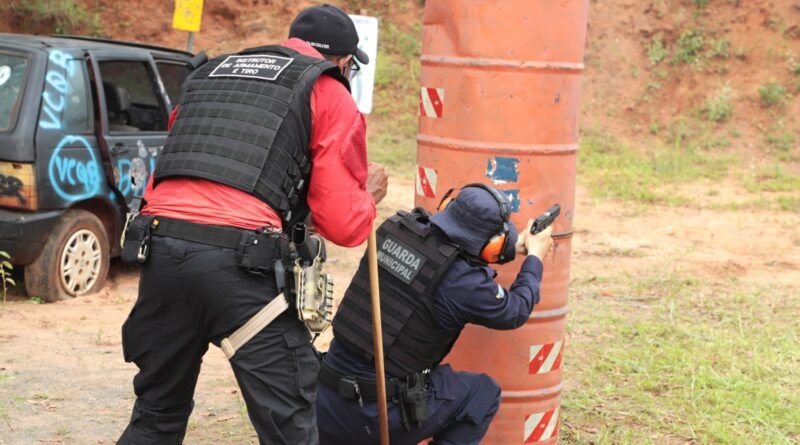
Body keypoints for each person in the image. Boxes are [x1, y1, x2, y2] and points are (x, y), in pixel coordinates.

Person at [117, 4, 388, 444]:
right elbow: (343, 224)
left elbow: (174, 171)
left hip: (160, 252)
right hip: (239, 268)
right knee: (289, 430)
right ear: (342, 61)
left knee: (155, 417)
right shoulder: (325, 88)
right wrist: (367, 198)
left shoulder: (207, 77)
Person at [316, 184, 554, 445]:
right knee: (481, 393)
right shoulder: (466, 284)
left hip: (322, 399)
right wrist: (535, 257)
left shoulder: (395, 229)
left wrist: (512, 248)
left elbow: (445, 254)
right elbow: (515, 310)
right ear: (491, 245)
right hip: (376, 417)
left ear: (446, 208)